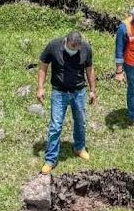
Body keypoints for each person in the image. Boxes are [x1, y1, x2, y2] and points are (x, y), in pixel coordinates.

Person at [37, 31, 96, 174]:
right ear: (66, 42)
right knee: (56, 126)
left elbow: (89, 69)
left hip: (79, 92)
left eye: (76, 48)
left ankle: (79, 148)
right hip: (59, 92)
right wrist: (40, 88)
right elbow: (43, 66)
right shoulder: (53, 46)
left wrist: (92, 90)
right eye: (71, 47)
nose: (73, 50)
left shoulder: (86, 48)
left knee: (80, 122)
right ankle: (50, 159)